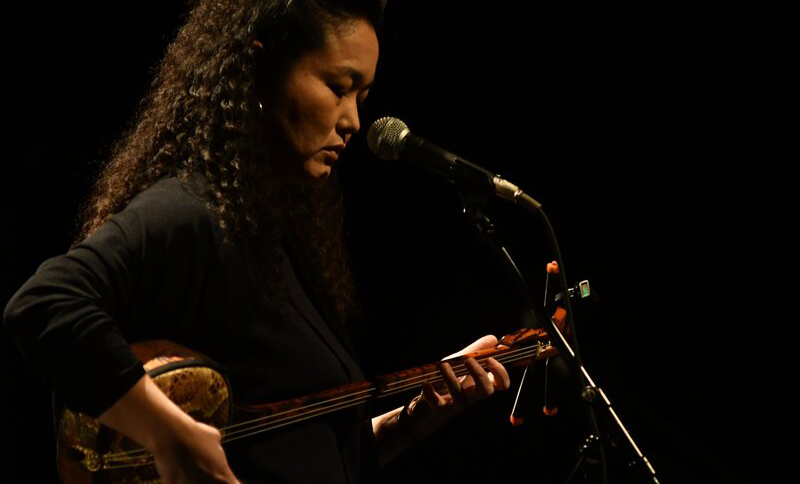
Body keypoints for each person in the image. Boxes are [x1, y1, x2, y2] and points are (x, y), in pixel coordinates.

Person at [4, 1, 510, 483]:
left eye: (363, 97)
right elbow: (45, 303)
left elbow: (299, 459)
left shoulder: (280, 241)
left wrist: (413, 420)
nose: (354, 120)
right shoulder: (190, 213)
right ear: (260, 68)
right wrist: (169, 435)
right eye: (338, 87)